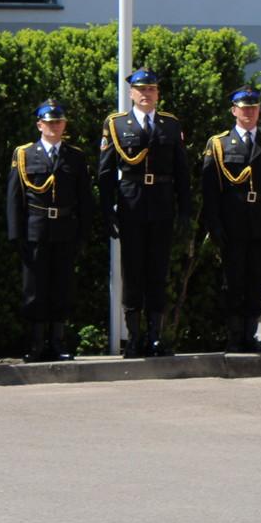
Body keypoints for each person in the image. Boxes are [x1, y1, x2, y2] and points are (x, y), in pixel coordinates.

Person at [97, 69, 191, 357]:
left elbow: (182, 171)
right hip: (132, 205)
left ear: (157, 93)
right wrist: (107, 209)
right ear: (131, 94)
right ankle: (134, 338)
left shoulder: (170, 125)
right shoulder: (116, 124)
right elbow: (105, 171)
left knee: (157, 272)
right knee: (133, 271)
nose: (146, 94)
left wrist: (184, 210)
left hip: (162, 205)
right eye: (141, 89)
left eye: (151, 89)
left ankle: (154, 337)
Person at [198, 86, 261, 354]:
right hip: (232, 222)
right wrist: (214, 224)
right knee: (233, 280)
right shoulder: (220, 144)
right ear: (234, 111)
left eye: (253, 108)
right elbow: (210, 190)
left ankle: (250, 334)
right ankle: (234, 335)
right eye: (244, 108)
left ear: (258, 111)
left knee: (258, 280)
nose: (248, 112)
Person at [5, 99, 94, 362]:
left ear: (64, 125)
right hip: (35, 230)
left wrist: (84, 233)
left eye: (58, 122)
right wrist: (16, 234)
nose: (54, 126)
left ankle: (57, 342)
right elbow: (14, 197)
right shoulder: (24, 154)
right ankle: (35, 344)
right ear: (39, 125)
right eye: (49, 122)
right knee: (34, 289)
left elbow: (84, 198)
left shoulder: (75, 156)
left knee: (62, 287)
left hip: (65, 230)